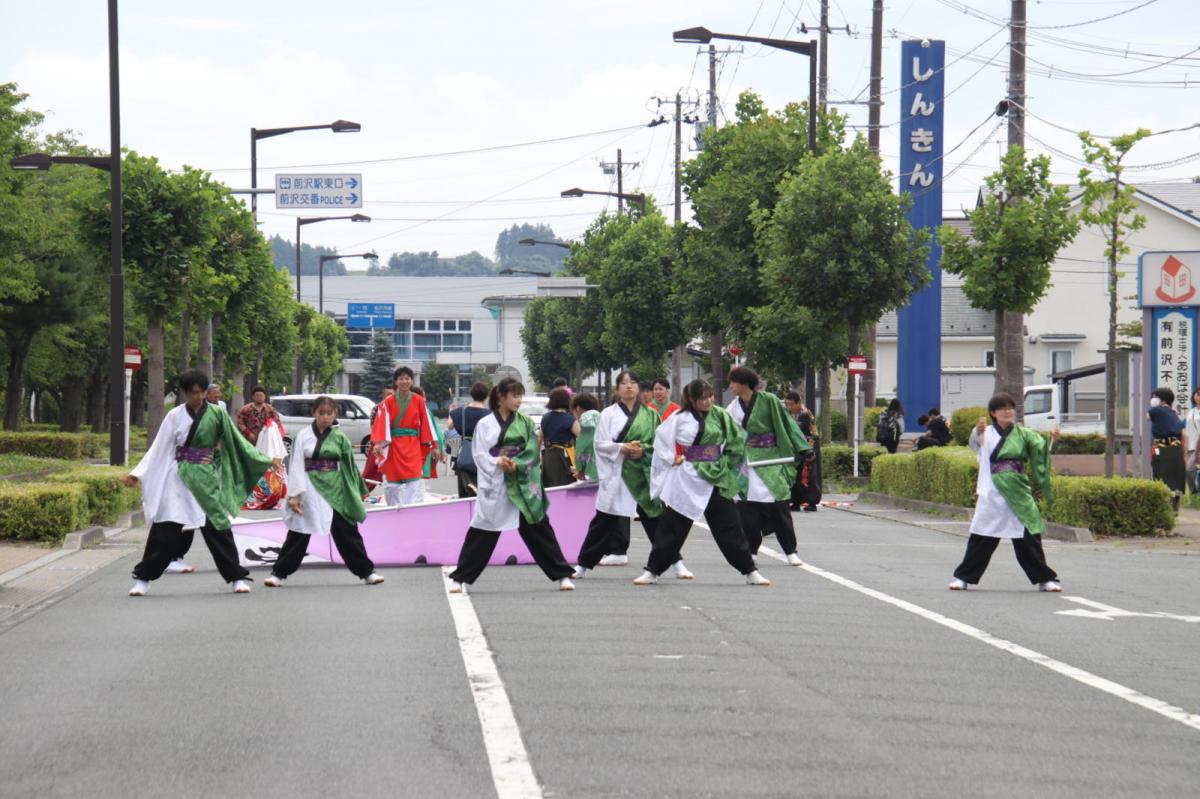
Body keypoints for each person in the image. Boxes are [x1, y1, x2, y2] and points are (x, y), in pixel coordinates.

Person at [123, 369, 273, 596]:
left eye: (203, 392)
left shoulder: (217, 414)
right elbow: (159, 447)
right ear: (184, 393)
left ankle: (236, 578)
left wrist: (260, 460)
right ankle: (143, 579)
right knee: (164, 531)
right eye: (194, 393)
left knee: (219, 529)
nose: (199, 397)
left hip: (206, 477)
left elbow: (234, 440)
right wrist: (138, 473)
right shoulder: (174, 416)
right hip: (179, 478)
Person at [635, 379, 771, 587]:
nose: (707, 402)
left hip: (717, 476)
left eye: (710, 396)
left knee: (729, 525)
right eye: (702, 398)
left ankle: (749, 570)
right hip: (688, 476)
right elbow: (662, 439)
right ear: (691, 399)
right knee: (673, 526)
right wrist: (671, 458)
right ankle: (653, 570)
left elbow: (736, 440)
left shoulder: (721, 415)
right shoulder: (679, 418)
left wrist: (726, 462)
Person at [446, 378, 577, 594]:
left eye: (520, 396)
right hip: (497, 483)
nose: (519, 400)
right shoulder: (485, 424)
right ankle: (459, 578)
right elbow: (479, 454)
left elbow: (533, 449)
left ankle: (562, 574)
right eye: (515, 395)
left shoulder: (525, 422)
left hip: (522, 484)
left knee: (540, 530)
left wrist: (516, 464)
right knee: (482, 534)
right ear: (501, 397)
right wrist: (498, 462)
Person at [573, 371, 692, 580]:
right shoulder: (608, 414)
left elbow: (660, 443)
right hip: (618, 473)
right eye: (624, 383)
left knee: (657, 522)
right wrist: (621, 448)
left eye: (633, 383)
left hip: (642, 475)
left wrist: (643, 450)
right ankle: (582, 565)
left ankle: (676, 563)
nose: (628, 386)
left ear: (638, 389)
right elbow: (599, 444)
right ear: (618, 388)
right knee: (603, 523)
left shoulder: (650, 414)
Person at [265, 396, 385, 587]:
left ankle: (367, 572)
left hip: (335, 490)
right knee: (298, 534)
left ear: (335, 414)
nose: (325, 417)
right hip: (309, 488)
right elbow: (295, 464)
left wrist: (356, 491)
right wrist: (295, 494)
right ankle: (278, 574)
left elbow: (349, 468)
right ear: (314, 413)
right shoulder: (303, 436)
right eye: (321, 413)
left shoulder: (340, 438)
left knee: (347, 533)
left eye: (329, 413)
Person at [949, 392, 1061, 592]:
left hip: (1018, 492)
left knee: (1028, 538)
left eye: (1011, 408)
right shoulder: (986, 432)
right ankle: (963, 577)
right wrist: (977, 432)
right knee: (982, 538)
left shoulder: (1023, 433)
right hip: (992, 491)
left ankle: (1045, 579)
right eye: (1003, 408)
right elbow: (976, 445)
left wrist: (1051, 440)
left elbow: (1040, 449)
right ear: (993, 413)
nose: (1008, 412)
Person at [727, 367, 810, 567]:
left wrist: (803, 447)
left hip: (770, 459)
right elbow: (727, 431)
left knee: (779, 505)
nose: (730, 386)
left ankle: (790, 550)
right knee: (747, 509)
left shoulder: (769, 400)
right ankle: (752, 550)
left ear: (744, 383)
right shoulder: (733, 407)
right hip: (745, 461)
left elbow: (786, 423)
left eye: (733, 382)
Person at [371, 366, 436, 508]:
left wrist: (434, 446)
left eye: (407, 378)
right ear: (396, 382)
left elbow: (427, 423)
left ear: (411, 381)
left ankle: (409, 511)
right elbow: (380, 423)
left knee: (413, 483)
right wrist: (377, 443)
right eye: (401, 378)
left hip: (413, 445)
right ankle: (394, 510)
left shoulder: (419, 400)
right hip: (394, 446)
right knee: (392, 486)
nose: (404, 381)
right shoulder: (387, 402)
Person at [448, 381, 490, 498]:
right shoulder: (490, 415)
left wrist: (450, 412)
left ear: (471, 394)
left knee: (464, 495)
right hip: (483, 458)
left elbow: (450, 425)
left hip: (465, 456)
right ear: (486, 396)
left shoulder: (460, 412)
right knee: (482, 494)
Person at [1148, 387, 1186, 512]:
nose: (1152, 399)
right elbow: (1184, 435)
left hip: (1162, 449)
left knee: (1160, 475)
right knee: (1175, 478)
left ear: (1162, 400)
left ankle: (1164, 508)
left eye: (1154, 397)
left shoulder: (1158, 410)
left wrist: (1154, 408)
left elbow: (1147, 417)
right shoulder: (1173, 413)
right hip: (1175, 449)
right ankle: (1174, 506)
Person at [785, 391, 822, 512]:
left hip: (807, 448)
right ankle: (795, 501)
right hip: (795, 450)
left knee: (809, 477)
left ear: (798, 403)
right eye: (788, 405)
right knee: (795, 476)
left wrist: (810, 451)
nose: (790, 408)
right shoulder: (790, 414)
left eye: (792, 405)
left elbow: (814, 434)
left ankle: (812, 502)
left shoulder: (806, 414)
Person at [539, 387, 579, 488]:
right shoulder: (570, 419)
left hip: (548, 456)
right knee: (565, 485)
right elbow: (581, 436)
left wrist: (537, 457)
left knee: (550, 485)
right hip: (564, 457)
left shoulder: (545, 418)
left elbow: (539, 439)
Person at [362, 386, 395, 498]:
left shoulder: (397, 407)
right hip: (379, 443)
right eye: (387, 394)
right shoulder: (377, 408)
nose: (390, 396)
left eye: (392, 394)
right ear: (383, 396)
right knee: (371, 472)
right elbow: (373, 427)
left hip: (394, 444)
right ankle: (360, 494)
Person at [570, 393, 601, 482]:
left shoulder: (585, 418)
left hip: (593, 469)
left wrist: (580, 469)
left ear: (578, 408)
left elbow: (583, 445)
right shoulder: (601, 416)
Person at [1183, 387, 1200, 494]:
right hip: (1190, 446)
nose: (1199, 397)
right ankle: (1195, 494)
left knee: (1192, 470)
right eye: (1197, 394)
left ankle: (1196, 494)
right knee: (1190, 471)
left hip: (1198, 447)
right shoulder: (1192, 411)